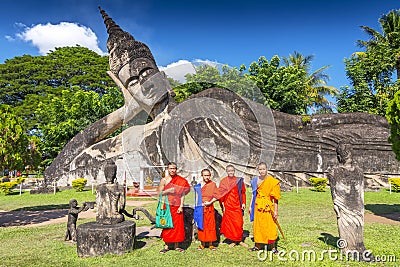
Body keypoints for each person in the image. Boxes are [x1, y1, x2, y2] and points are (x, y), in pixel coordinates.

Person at [158, 162, 190, 253]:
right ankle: (166, 246)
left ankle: (176, 246)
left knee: (177, 226)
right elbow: (159, 193)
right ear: (168, 169)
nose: (172, 170)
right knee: (167, 225)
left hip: (177, 206)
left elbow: (183, 194)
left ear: (176, 169)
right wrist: (168, 190)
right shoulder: (164, 180)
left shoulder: (180, 180)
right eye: (171, 168)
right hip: (167, 205)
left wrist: (181, 206)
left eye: (174, 168)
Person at [248, 162, 281, 253]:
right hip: (258, 206)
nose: (262, 171)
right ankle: (258, 245)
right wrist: (250, 206)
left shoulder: (273, 181)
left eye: (263, 169)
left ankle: (273, 247)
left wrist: (276, 211)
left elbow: (276, 199)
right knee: (257, 226)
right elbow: (254, 194)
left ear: (267, 169)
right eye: (260, 169)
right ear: (258, 170)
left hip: (268, 207)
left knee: (270, 227)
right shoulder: (255, 181)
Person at [218, 164, 247, 248]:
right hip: (228, 205)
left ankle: (240, 240)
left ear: (234, 171)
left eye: (232, 171)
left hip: (237, 205)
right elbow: (221, 193)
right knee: (230, 224)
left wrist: (244, 203)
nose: (231, 172)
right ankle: (233, 240)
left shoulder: (239, 181)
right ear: (226, 172)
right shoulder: (223, 181)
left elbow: (243, 192)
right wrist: (222, 204)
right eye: (229, 171)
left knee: (239, 223)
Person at [195, 169, 219, 251]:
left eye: (208, 175)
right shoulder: (198, 186)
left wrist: (210, 202)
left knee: (210, 225)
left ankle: (211, 244)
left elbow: (217, 196)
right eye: (205, 175)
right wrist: (198, 206)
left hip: (210, 208)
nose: (207, 177)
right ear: (202, 176)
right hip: (201, 208)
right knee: (202, 225)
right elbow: (197, 197)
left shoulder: (213, 184)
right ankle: (202, 244)